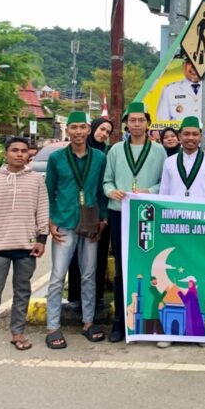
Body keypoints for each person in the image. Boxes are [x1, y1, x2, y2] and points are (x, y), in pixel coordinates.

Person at [0, 137, 49, 359]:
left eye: (24, 151)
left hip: (26, 247)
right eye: (14, 150)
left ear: (28, 155)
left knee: (22, 292)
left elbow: (43, 210)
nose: (19, 154)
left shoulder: (36, 180)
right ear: (6, 153)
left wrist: (41, 239)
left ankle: (18, 333)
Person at [44, 112, 109, 349]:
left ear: (88, 130)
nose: (79, 132)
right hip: (64, 221)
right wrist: (50, 219)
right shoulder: (56, 158)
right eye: (74, 127)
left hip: (90, 222)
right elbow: (49, 190)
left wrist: (103, 217)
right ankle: (52, 327)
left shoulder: (100, 158)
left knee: (89, 274)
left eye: (83, 127)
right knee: (57, 276)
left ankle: (88, 322)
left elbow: (101, 190)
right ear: (68, 130)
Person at [103, 102, 166, 343]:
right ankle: (120, 322)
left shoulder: (159, 151)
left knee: (149, 268)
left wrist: (150, 191)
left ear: (148, 123)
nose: (136, 124)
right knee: (122, 268)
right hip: (120, 212)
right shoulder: (116, 150)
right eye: (132, 120)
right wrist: (111, 191)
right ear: (126, 124)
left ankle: (150, 321)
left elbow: (164, 182)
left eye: (141, 120)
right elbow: (106, 181)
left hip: (147, 214)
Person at [67, 116, 114, 316]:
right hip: (77, 210)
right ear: (92, 129)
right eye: (101, 129)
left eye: (107, 132)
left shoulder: (108, 154)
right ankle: (75, 296)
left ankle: (97, 297)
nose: (103, 134)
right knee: (74, 256)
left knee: (99, 255)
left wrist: (104, 215)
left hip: (99, 210)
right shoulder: (78, 151)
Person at [159, 116, 205, 198]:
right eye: (186, 134)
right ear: (180, 136)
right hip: (175, 206)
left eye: (195, 134)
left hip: (201, 206)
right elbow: (163, 194)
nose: (191, 138)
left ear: (200, 137)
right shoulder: (169, 162)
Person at [156, 55, 205, 121]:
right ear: (183, 65)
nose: (194, 66)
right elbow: (162, 123)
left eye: (199, 62)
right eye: (190, 62)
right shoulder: (169, 90)